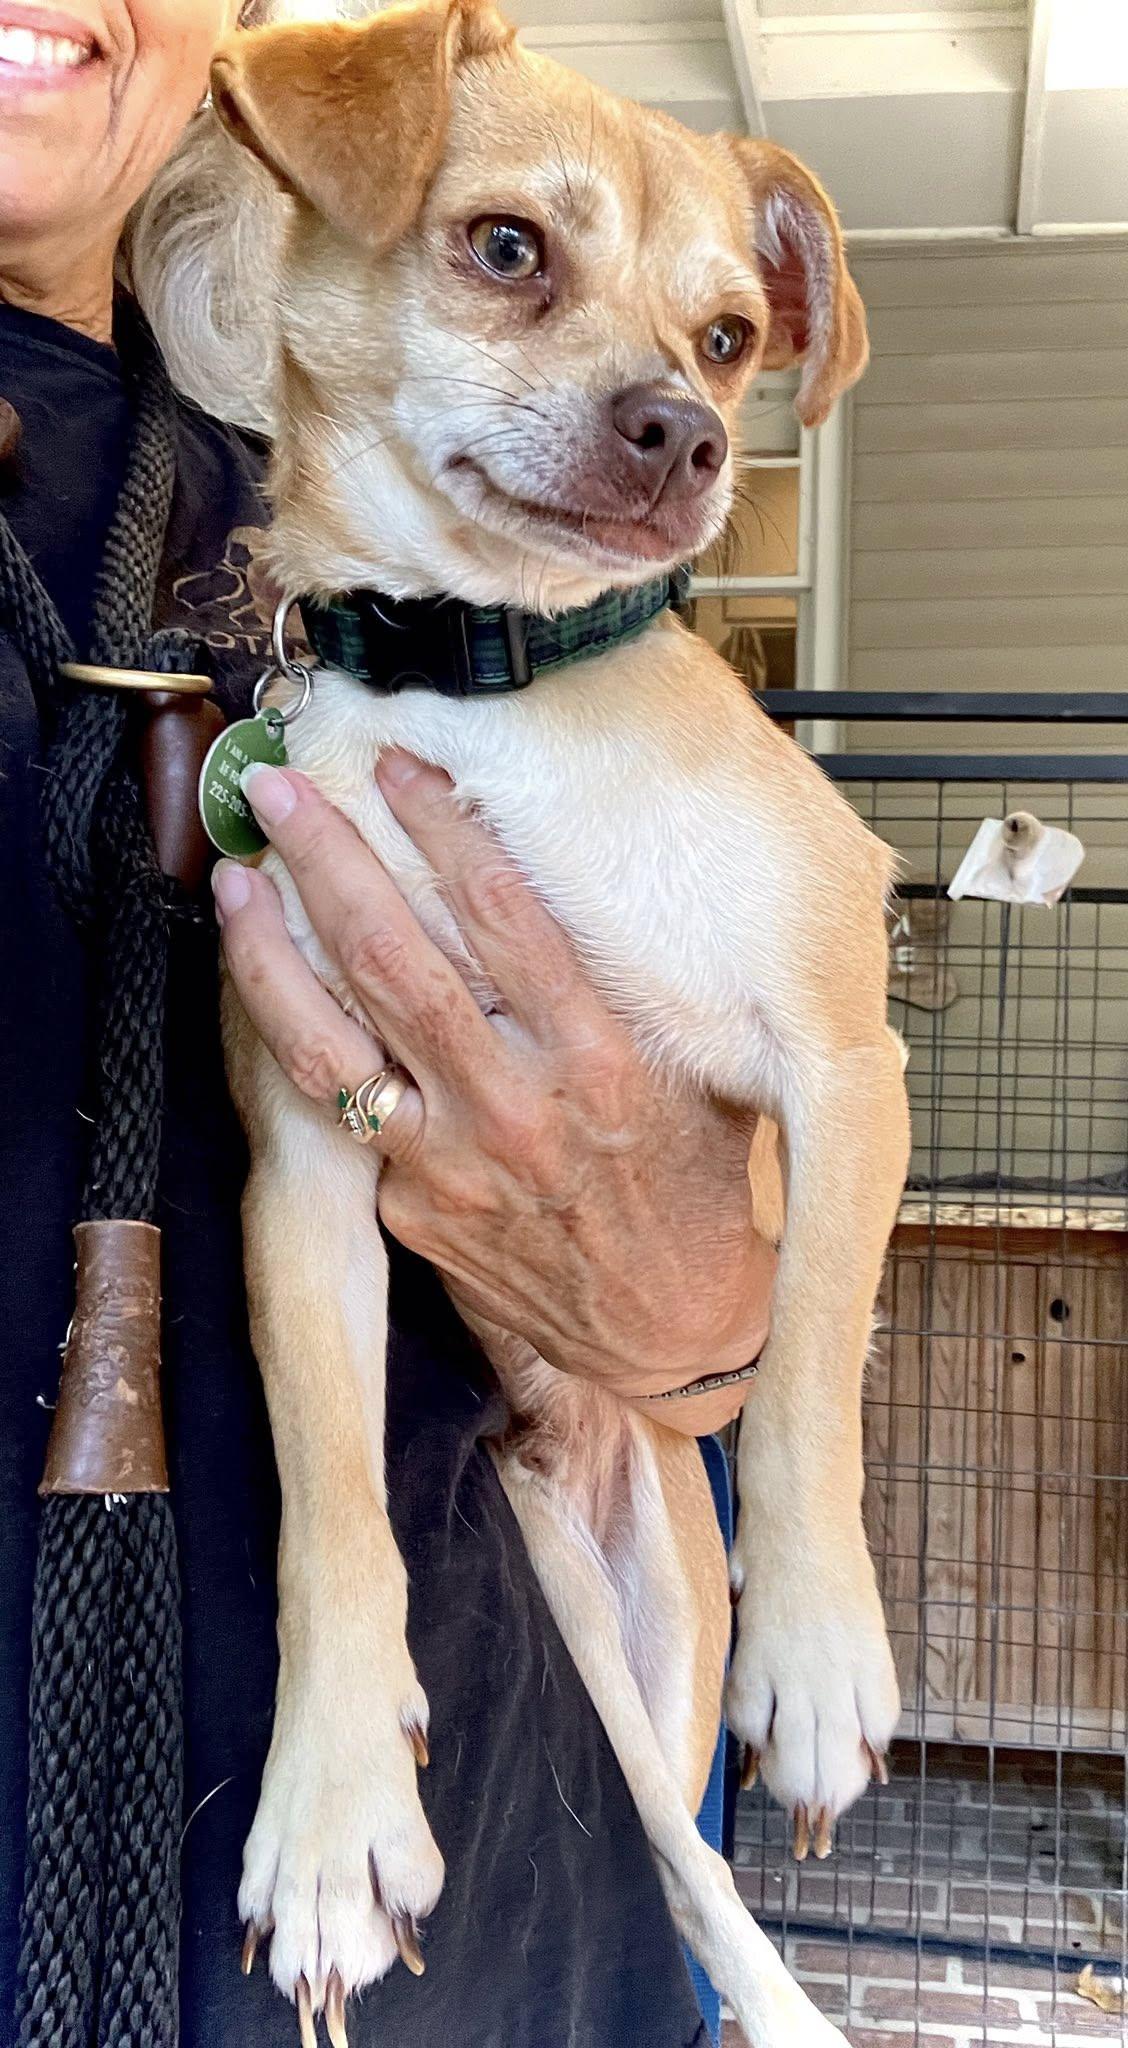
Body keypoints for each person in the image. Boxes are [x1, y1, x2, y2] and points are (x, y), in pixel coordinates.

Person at [0, 3, 778, 2043]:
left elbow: (697, 1289)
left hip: (494, 1890)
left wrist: (696, 1296)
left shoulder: (430, 501)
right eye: (509, 255)